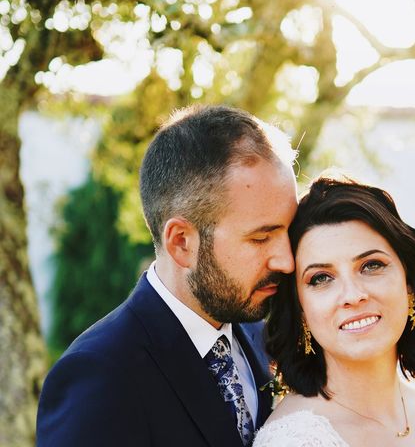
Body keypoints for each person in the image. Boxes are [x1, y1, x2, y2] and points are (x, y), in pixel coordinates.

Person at [36, 105, 298, 446]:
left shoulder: (259, 335)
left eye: (288, 233)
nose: (287, 261)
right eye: (261, 238)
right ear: (182, 242)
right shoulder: (98, 379)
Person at [253, 176, 415, 446]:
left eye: (371, 266)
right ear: (300, 310)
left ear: (409, 284)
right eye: (321, 278)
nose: (353, 296)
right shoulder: (295, 441)